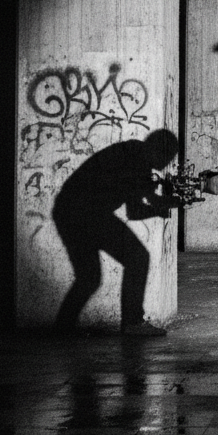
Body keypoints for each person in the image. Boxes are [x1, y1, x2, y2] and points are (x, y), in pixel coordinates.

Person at [53, 129, 182, 337]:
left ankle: (62, 329)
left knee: (89, 278)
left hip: (73, 210)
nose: (167, 163)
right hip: (84, 212)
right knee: (137, 257)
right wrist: (164, 206)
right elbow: (136, 211)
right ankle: (133, 323)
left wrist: (163, 203)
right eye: (168, 157)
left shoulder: (135, 155)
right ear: (158, 151)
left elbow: (140, 204)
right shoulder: (137, 161)